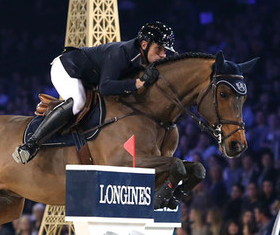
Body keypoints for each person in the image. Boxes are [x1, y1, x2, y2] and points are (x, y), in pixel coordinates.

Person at [12, 21, 175, 164]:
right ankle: (31, 145)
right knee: (79, 101)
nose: (162, 55)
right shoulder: (121, 53)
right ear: (145, 44)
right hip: (67, 69)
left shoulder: (143, 59)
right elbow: (105, 87)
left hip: (88, 76)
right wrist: (137, 83)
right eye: (159, 49)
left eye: (165, 51)